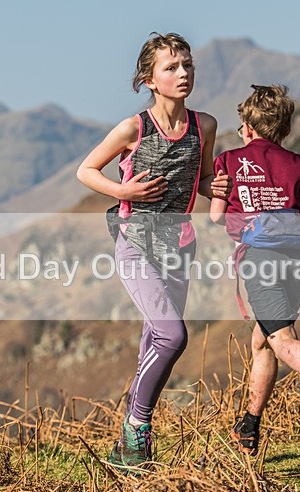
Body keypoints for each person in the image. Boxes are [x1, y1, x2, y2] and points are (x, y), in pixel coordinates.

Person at [77, 32, 229, 469]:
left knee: (153, 339)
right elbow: (86, 170)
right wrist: (123, 189)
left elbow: (197, 181)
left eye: (187, 65)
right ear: (149, 78)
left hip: (179, 246)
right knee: (172, 335)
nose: (183, 73)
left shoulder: (206, 126)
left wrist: (213, 186)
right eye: (171, 67)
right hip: (135, 243)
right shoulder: (133, 128)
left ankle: (128, 449)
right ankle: (137, 427)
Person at [210, 85, 300, 456]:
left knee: (282, 339)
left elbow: (214, 216)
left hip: (261, 261)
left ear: (247, 127)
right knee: (262, 339)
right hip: (299, 262)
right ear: (285, 130)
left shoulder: (229, 161)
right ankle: (250, 424)